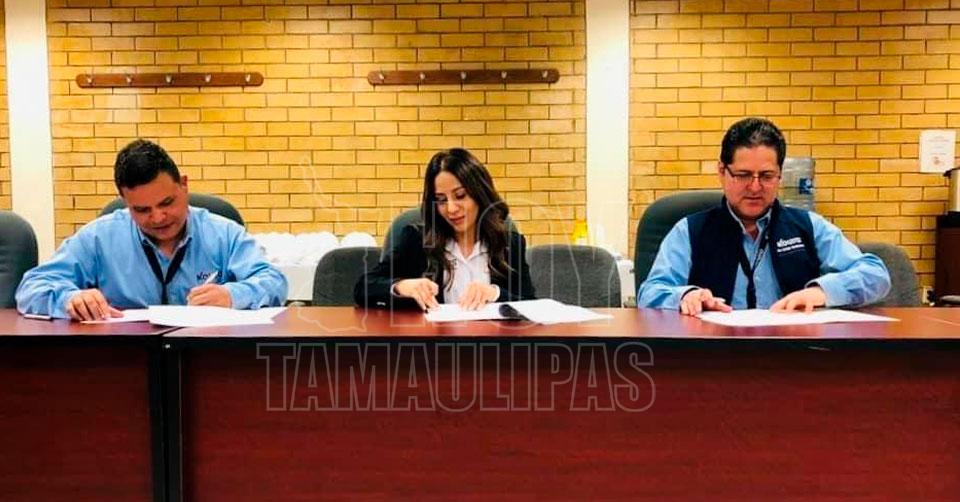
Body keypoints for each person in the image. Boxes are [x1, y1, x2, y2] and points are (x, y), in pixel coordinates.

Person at [638, 117, 891, 315]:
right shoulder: (689, 231)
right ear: (722, 172)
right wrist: (684, 296)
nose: (755, 187)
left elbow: (875, 275)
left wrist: (821, 292)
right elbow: (649, 293)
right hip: (714, 353)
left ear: (780, 175)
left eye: (767, 176)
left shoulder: (808, 226)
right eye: (743, 175)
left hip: (795, 352)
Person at [16, 139, 287, 321]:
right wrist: (70, 299)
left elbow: (274, 282)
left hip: (209, 361)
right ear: (125, 202)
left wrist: (232, 295)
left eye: (167, 203)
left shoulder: (224, 234)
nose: (158, 218)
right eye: (142, 210)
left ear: (184, 185)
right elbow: (31, 287)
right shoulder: (99, 238)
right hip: (124, 362)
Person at [355, 148, 535, 310]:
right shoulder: (417, 240)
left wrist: (495, 293)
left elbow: (531, 305)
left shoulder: (509, 244)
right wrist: (401, 287)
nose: (451, 209)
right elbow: (364, 287)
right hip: (433, 337)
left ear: (480, 195)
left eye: (460, 196)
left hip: (492, 337)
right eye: (441, 200)